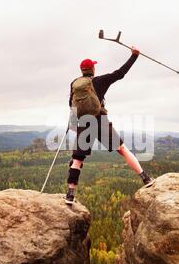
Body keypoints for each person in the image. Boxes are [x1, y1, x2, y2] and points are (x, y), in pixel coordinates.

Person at [65, 47, 154, 205]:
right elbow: (120, 73)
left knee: (77, 160)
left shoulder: (75, 84)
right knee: (122, 149)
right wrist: (134, 56)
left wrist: (73, 124)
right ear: (92, 68)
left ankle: (70, 194)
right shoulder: (99, 81)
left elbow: (71, 104)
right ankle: (145, 178)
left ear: (81, 70)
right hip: (100, 120)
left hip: (84, 123)